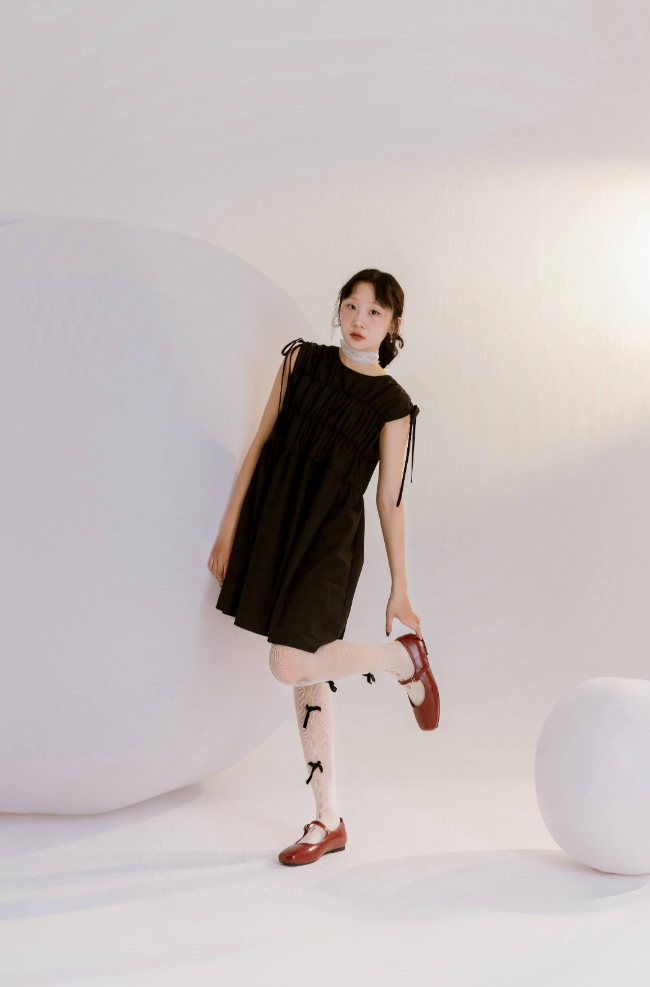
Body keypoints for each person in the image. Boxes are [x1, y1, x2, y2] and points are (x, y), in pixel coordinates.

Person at [208, 268, 440, 866]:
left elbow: (390, 500)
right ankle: (327, 819)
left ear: (393, 325)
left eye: (375, 312)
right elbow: (259, 445)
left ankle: (401, 660)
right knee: (305, 670)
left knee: (289, 662)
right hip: (276, 523)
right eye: (352, 305)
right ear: (339, 309)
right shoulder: (300, 361)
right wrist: (229, 529)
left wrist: (400, 588)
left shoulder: (393, 406)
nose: (360, 319)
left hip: (328, 541)